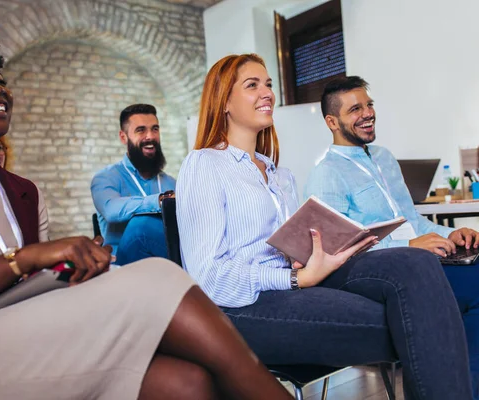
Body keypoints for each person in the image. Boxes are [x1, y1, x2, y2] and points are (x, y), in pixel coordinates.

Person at [0, 10, 293, 400]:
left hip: (22, 329)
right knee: (157, 273)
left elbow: (28, 291)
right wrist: (25, 258)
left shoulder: (23, 191)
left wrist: (67, 270)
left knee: (185, 382)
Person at [176, 53, 473, 399]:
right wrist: (293, 278)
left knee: (416, 262)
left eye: (269, 84)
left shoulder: (278, 174)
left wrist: (311, 257)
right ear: (224, 101)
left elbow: (289, 248)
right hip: (244, 305)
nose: (267, 93)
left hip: (296, 282)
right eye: (252, 85)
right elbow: (208, 277)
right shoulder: (205, 164)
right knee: (414, 317)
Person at [304, 75, 479, 398]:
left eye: (369, 104)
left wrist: (451, 233)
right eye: (355, 109)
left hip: (423, 260)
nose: (367, 113)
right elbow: (339, 252)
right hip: (393, 274)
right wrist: (408, 247)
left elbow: (413, 221)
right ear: (332, 121)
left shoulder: (384, 158)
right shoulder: (326, 175)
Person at [91, 104, 175, 265]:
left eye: (155, 129)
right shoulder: (105, 178)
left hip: (167, 264)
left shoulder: (171, 182)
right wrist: (162, 200)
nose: (150, 136)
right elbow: (111, 210)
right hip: (124, 268)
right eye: (141, 130)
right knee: (140, 226)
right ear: (123, 137)